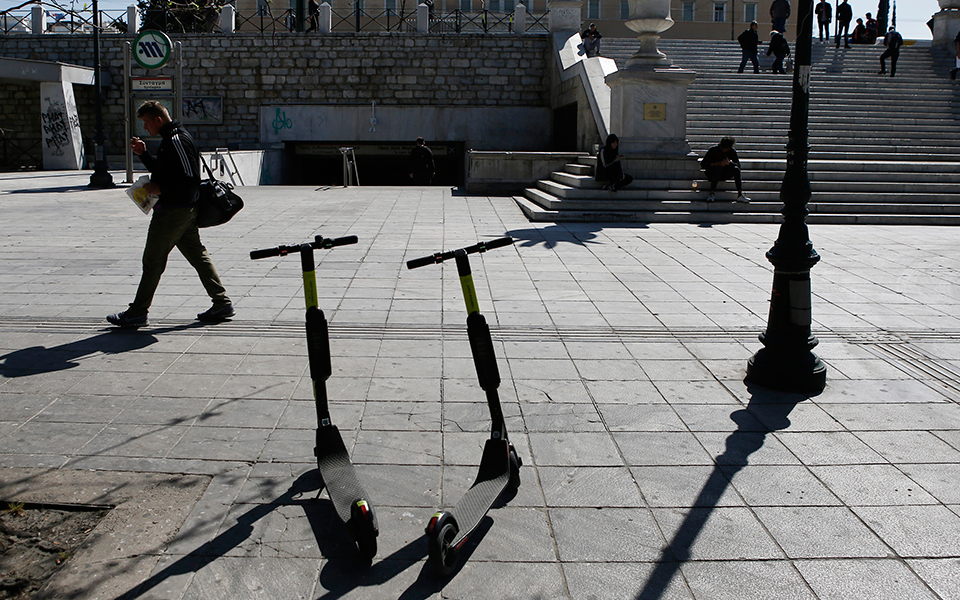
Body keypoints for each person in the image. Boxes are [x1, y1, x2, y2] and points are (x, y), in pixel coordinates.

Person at [107, 101, 233, 328]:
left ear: (158, 120)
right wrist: (144, 155)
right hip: (183, 211)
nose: (145, 128)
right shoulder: (170, 139)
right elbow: (166, 172)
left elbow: (191, 179)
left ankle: (137, 311)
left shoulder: (177, 140)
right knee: (198, 256)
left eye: (146, 123)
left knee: (153, 260)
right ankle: (221, 301)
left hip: (175, 211)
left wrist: (161, 189)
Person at [701, 137, 750, 203]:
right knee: (718, 168)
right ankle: (712, 193)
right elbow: (703, 164)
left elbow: (738, 165)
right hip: (712, 173)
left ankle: (740, 194)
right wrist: (716, 164)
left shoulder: (732, 151)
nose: (724, 150)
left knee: (736, 169)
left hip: (725, 173)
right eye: (723, 148)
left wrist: (729, 163)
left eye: (726, 149)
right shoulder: (713, 150)